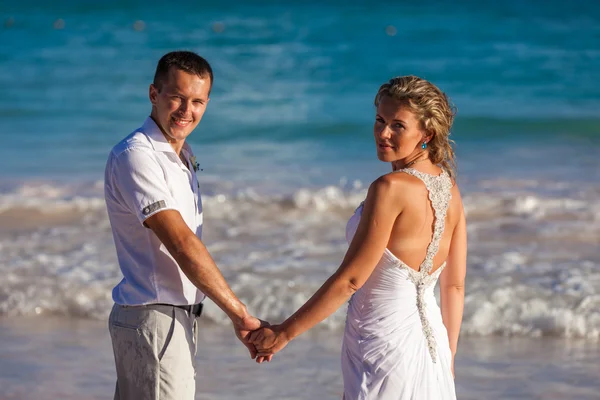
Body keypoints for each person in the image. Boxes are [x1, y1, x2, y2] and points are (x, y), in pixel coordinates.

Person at [250, 75, 466, 399]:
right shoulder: (450, 189)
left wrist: (283, 334)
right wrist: (448, 358)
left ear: (427, 133)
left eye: (398, 125)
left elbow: (351, 279)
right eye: (380, 120)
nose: (383, 133)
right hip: (431, 347)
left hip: (382, 343)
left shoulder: (389, 188)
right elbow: (454, 286)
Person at [104, 51, 263, 400]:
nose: (186, 111)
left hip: (171, 321)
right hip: (154, 321)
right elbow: (181, 243)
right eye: (176, 97)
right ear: (153, 94)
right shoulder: (137, 155)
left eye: (197, 101)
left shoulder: (183, 154)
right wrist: (239, 314)